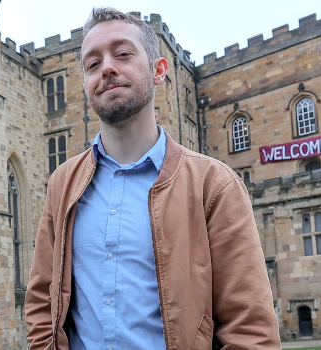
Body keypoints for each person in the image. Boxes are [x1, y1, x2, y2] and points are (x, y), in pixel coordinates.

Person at [24, 7, 281, 350]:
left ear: (160, 71)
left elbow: (249, 328)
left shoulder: (214, 184)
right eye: (93, 63)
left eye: (123, 54)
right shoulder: (62, 184)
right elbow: (42, 300)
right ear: (85, 85)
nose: (108, 68)